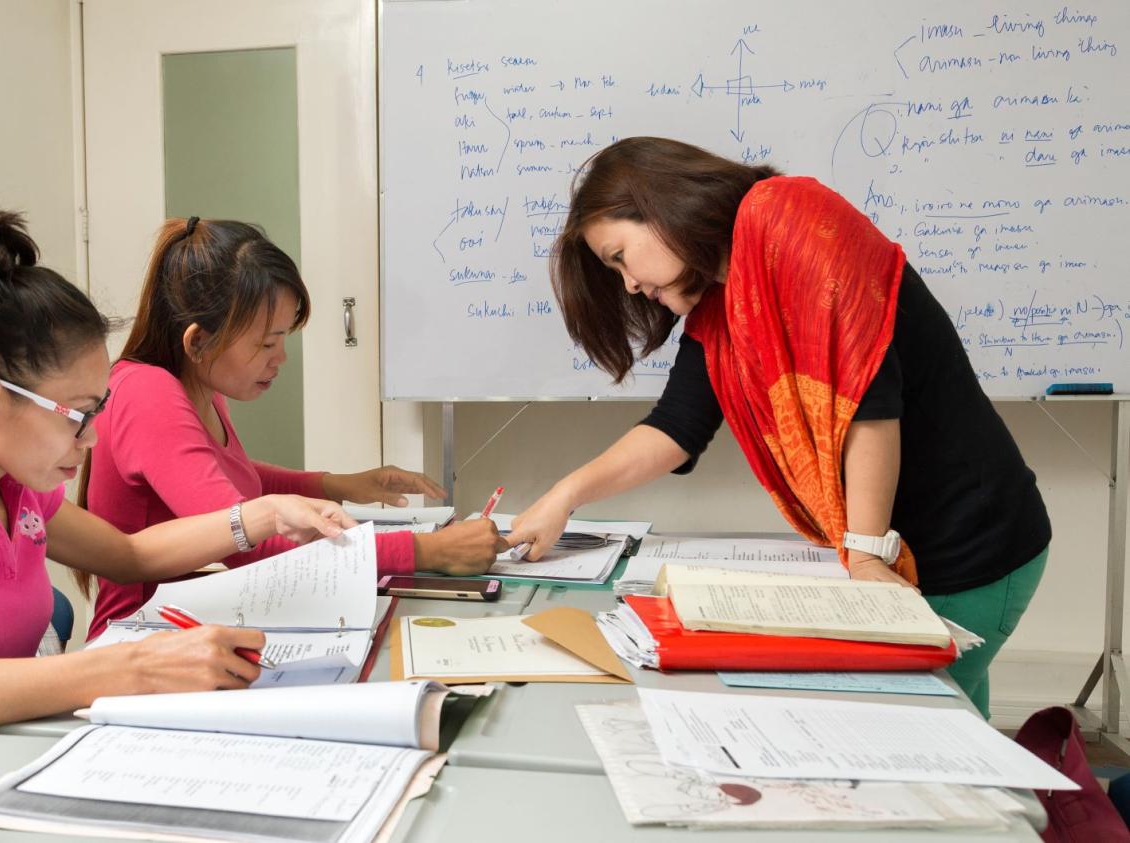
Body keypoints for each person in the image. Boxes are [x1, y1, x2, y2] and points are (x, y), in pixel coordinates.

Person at [507, 138, 1050, 717]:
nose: (630, 285)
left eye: (619, 257)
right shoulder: (720, 302)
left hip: (967, 544)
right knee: (960, 736)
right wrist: (564, 497)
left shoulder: (788, 216)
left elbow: (865, 397)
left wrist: (865, 557)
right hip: (899, 549)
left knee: (924, 734)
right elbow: (676, 427)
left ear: (660, 208)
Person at [0, 203, 355, 738]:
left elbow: (128, 554)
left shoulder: (13, 488)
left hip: (6, 752)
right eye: (77, 416)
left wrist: (261, 515)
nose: (90, 440)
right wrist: (130, 667)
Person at [77, 218, 504, 640]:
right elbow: (249, 540)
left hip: (197, 624)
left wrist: (339, 484)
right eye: (266, 343)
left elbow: (232, 479)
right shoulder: (147, 394)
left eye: (284, 338)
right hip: (140, 639)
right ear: (198, 342)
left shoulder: (199, 385)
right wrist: (429, 551)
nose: (280, 358)